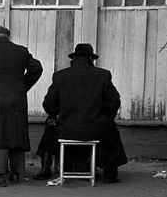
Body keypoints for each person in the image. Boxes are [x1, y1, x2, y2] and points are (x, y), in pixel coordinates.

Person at [42, 43, 128, 183]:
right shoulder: (103, 75)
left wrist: (57, 114)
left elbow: (49, 104)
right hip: (96, 129)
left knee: (50, 127)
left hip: (67, 130)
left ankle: (47, 167)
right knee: (110, 131)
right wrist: (105, 117)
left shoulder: (60, 76)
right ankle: (110, 172)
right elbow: (114, 102)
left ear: (73, 60)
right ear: (91, 59)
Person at [0, 26, 43, 186]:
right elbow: (36, 68)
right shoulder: (21, 51)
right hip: (17, 99)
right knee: (16, 131)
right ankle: (17, 172)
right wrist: (22, 86)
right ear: (8, 37)